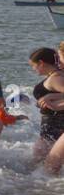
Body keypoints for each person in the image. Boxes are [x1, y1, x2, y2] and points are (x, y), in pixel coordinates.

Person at [29, 46, 64, 174]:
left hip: (54, 127)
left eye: (33, 65)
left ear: (41, 63)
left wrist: (55, 104)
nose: (33, 69)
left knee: (44, 171)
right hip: (51, 127)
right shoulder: (56, 75)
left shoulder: (55, 78)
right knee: (39, 168)